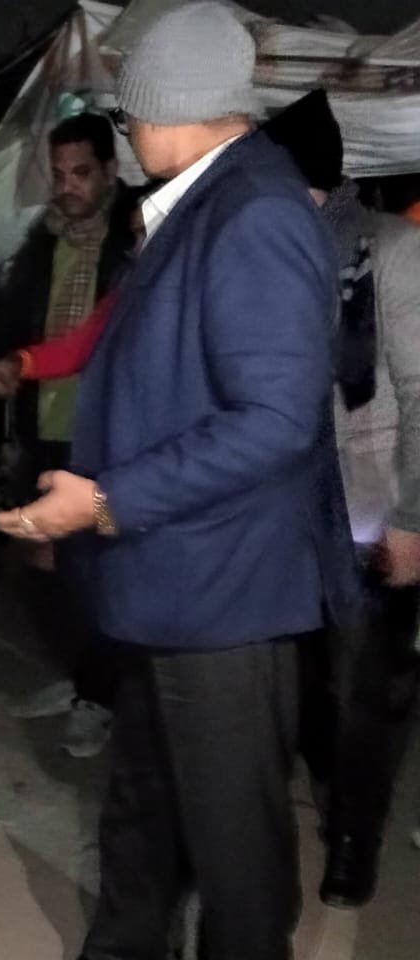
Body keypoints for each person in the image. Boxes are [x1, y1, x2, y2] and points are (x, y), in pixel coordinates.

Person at [0, 5, 357, 958]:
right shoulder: (200, 202)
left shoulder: (255, 210)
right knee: (144, 807)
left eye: (123, 112)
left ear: (161, 106)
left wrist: (108, 499)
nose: (123, 132)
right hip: (169, 584)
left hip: (222, 593)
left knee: (236, 852)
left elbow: (274, 420)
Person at [264, 89, 420, 909]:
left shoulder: (392, 248)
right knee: (313, 676)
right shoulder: (278, 255)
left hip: (371, 497)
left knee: (366, 687)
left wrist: (412, 518)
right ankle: (330, 794)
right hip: (294, 500)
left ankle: (355, 837)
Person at [0, 111, 142, 759]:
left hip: (110, 435)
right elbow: (12, 332)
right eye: (60, 174)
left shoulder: (135, 240)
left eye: (81, 173)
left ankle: (101, 696)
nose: (68, 187)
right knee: (48, 564)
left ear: (110, 172)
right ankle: (82, 678)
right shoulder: (42, 244)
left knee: (101, 569)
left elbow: (106, 342)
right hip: (46, 427)